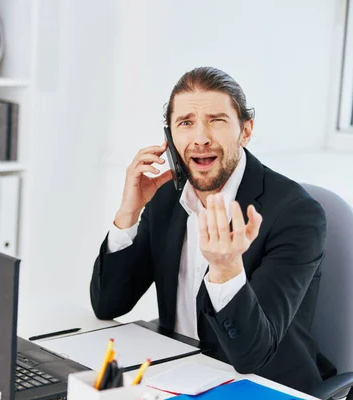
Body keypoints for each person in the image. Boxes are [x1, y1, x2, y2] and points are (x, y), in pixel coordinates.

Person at [89, 66, 329, 394]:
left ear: (245, 131)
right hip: (176, 375)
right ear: (170, 136)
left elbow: (252, 355)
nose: (200, 137)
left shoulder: (296, 213)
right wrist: (128, 213)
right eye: (186, 123)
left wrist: (226, 270)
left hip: (263, 386)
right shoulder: (166, 197)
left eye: (216, 120)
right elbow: (108, 306)